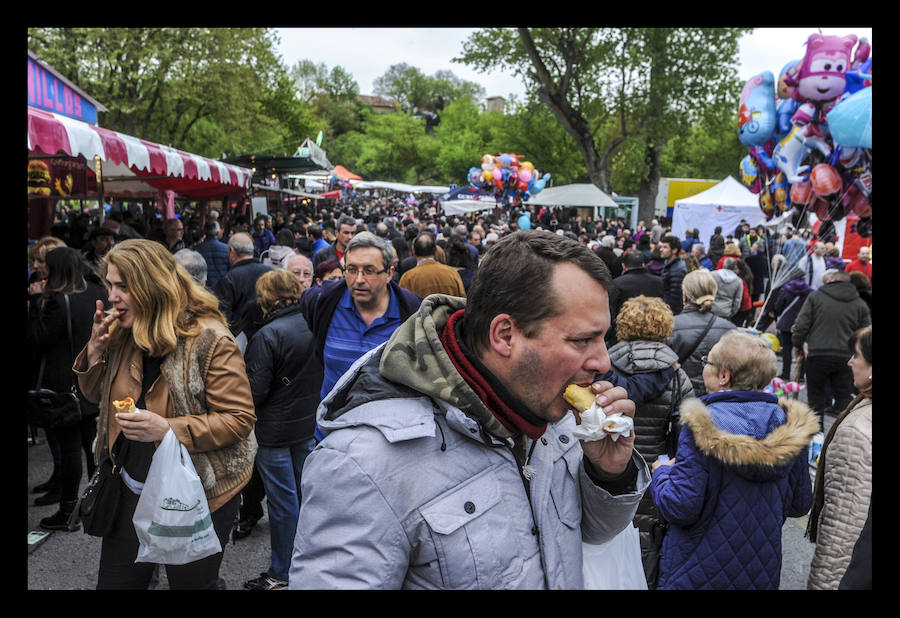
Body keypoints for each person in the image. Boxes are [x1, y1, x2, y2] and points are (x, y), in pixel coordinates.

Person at [289, 230, 650, 589]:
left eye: (603, 338)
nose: (603, 360)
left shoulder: (551, 408)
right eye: (582, 340)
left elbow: (593, 531)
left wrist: (608, 472)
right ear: (505, 336)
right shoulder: (360, 464)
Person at [73, 239, 256, 589]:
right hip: (131, 481)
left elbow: (239, 420)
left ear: (152, 287)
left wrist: (167, 429)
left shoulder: (211, 339)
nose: (112, 296)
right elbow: (96, 394)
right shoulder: (123, 332)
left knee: (192, 584)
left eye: (123, 286)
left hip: (202, 487)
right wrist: (95, 349)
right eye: (110, 285)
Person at [649, 330, 818, 589]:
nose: (704, 366)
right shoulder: (789, 427)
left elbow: (679, 506)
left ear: (724, 375)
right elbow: (799, 504)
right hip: (760, 569)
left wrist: (661, 473)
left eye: (708, 361)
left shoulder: (702, 425)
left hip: (695, 569)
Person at [599, 295, 694, 588]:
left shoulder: (604, 366)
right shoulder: (677, 377)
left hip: (605, 470)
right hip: (655, 473)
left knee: (606, 538)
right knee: (649, 543)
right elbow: (686, 437)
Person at [241, 269, 324, 590]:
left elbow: (255, 391)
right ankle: (308, 562)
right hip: (305, 423)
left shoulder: (268, 335)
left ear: (267, 298)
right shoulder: (311, 323)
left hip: (273, 432)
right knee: (306, 497)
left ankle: (281, 573)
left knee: (282, 503)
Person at [301, 232, 422, 438]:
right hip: (331, 432)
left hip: (387, 437)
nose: (358, 280)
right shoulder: (323, 301)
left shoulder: (412, 312)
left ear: (389, 273)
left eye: (369, 271)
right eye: (351, 270)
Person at [28, 247, 108, 526]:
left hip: (64, 384)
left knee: (71, 446)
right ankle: (99, 503)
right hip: (93, 378)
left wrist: (35, 302)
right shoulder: (97, 293)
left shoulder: (57, 301)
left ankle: (68, 510)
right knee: (92, 446)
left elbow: (38, 339)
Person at [806, 326, 871, 590]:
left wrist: (824, 584)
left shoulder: (858, 429)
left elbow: (842, 528)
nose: (850, 361)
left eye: (856, 355)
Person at [791, 269, 871, 429]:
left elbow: (801, 325)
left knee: (815, 399)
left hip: (817, 354)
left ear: (832, 279)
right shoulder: (859, 304)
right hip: (846, 358)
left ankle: (816, 436)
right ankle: (844, 431)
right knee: (843, 397)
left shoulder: (815, 297)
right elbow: (866, 334)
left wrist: (798, 344)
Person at [667, 269, 736, 397]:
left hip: (678, 394)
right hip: (716, 396)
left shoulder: (669, 326)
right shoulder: (729, 329)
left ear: (684, 296)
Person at [213, 232, 273, 347]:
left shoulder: (229, 279)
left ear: (231, 251)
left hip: (240, 343)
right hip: (270, 338)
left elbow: (223, 317)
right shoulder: (270, 273)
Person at [398, 231, 466, 299]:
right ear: (436, 251)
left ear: (413, 251)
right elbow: (462, 301)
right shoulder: (452, 273)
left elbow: (403, 303)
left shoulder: (407, 278)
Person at [194, 220, 230, 291]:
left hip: (204, 288)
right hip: (222, 288)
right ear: (217, 231)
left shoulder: (197, 249)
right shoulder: (226, 248)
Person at [658, 234, 686, 315]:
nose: (661, 249)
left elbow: (675, 298)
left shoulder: (677, 270)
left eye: (665, 247)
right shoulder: (668, 264)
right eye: (661, 247)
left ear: (674, 250)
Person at [710, 257, 743, 321]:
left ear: (723, 265)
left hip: (711, 309)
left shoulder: (712, 275)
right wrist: (732, 312)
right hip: (725, 312)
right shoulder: (738, 281)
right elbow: (737, 300)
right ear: (734, 267)